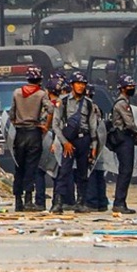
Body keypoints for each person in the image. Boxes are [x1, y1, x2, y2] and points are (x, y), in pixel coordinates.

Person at [51, 71, 98, 214]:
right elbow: (55, 125)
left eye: (83, 84)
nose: (81, 86)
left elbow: (93, 126)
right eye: (78, 83)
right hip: (68, 141)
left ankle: (80, 202)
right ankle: (58, 203)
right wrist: (64, 142)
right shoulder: (63, 101)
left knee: (83, 173)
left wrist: (94, 146)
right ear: (72, 85)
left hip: (83, 140)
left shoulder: (89, 104)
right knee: (64, 172)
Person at [9, 66, 54, 212]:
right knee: (31, 167)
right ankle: (28, 199)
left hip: (19, 133)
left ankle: (18, 200)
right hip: (34, 133)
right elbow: (51, 110)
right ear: (40, 79)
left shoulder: (16, 92)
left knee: (19, 166)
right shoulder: (41, 94)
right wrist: (46, 126)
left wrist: (16, 122)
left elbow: (11, 114)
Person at [111, 75, 137, 214]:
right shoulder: (122, 103)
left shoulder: (125, 102)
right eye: (129, 87)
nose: (131, 89)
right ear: (122, 88)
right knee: (125, 171)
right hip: (123, 138)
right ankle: (119, 202)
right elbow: (129, 123)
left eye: (132, 86)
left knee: (126, 171)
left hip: (125, 138)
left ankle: (121, 201)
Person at [35, 77, 64, 211]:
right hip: (58, 140)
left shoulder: (45, 105)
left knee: (40, 171)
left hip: (45, 139)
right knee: (57, 173)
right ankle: (56, 203)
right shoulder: (64, 103)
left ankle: (40, 202)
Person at [85, 84, 110, 212]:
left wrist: (92, 145)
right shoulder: (96, 108)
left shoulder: (89, 108)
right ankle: (101, 201)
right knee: (98, 173)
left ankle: (92, 201)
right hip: (99, 144)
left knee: (90, 173)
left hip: (92, 143)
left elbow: (92, 128)